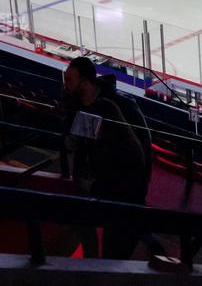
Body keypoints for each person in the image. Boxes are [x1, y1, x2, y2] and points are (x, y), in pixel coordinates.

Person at [62, 57, 148, 258]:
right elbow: (77, 142)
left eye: (69, 80)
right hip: (93, 187)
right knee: (87, 236)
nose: (65, 85)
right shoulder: (76, 104)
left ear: (85, 83)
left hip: (122, 195)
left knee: (114, 252)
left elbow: (141, 152)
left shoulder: (122, 106)